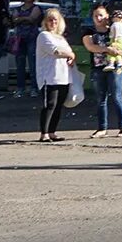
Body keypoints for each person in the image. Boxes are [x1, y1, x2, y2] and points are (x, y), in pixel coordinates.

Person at [83, 3, 122, 138]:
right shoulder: (89, 32)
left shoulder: (114, 29)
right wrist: (107, 49)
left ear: (107, 16)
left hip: (116, 68)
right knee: (100, 99)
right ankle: (102, 128)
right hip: (98, 68)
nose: (99, 18)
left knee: (117, 96)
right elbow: (91, 47)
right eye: (95, 16)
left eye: (101, 15)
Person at [35, 8, 78, 142]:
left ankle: (53, 132)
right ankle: (44, 133)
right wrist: (70, 54)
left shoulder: (60, 38)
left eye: (56, 19)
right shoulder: (44, 35)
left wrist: (71, 57)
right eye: (50, 19)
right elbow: (56, 51)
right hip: (49, 77)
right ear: (45, 22)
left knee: (59, 105)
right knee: (50, 104)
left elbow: (69, 52)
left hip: (63, 76)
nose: (53, 22)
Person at [11, 0, 44, 94]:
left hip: (32, 38)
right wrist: (24, 19)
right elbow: (14, 20)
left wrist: (21, 19)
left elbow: (32, 19)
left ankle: (34, 88)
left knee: (33, 63)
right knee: (20, 64)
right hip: (19, 39)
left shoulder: (36, 8)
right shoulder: (18, 8)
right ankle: (20, 87)